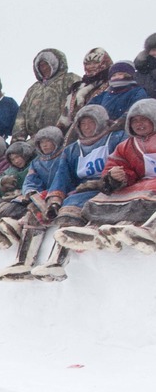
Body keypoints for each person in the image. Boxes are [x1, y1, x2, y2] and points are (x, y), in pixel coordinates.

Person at [38, 104, 128, 278]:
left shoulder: (116, 138)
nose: (86, 127)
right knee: (67, 211)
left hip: (111, 186)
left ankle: (93, 241)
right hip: (82, 190)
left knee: (87, 207)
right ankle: (56, 261)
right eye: (82, 124)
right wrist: (55, 198)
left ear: (101, 122)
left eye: (90, 123)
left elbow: (125, 163)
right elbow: (62, 176)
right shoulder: (72, 149)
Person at [0, 127, 67, 280]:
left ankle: (57, 262)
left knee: (67, 217)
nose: (45, 145)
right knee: (33, 213)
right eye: (42, 143)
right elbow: (30, 182)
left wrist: (52, 195)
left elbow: (63, 178)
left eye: (48, 141)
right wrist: (32, 192)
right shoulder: (37, 163)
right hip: (44, 197)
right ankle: (24, 262)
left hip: (63, 194)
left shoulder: (65, 156)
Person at [85, 99, 156, 252]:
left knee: (146, 198)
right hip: (141, 184)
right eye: (134, 121)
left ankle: (146, 230)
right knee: (105, 198)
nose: (139, 124)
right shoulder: (126, 146)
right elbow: (118, 167)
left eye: (144, 119)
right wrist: (117, 176)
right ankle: (96, 231)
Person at [11, 49, 78, 143]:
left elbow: (77, 102)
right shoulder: (33, 89)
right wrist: (17, 141)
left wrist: (65, 129)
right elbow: (22, 115)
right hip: (36, 140)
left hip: (63, 136)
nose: (44, 68)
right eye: (41, 65)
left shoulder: (69, 79)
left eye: (47, 64)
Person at [61, 47, 112, 134]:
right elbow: (66, 116)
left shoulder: (112, 84)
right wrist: (59, 130)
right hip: (77, 132)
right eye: (88, 63)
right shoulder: (78, 87)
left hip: (103, 131)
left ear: (105, 63)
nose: (91, 66)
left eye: (95, 62)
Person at [88, 62, 148, 131]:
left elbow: (137, 108)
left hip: (127, 129)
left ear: (129, 75)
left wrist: (119, 121)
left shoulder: (137, 91)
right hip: (103, 129)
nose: (116, 77)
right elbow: (90, 108)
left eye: (120, 74)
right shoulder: (104, 94)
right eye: (114, 75)